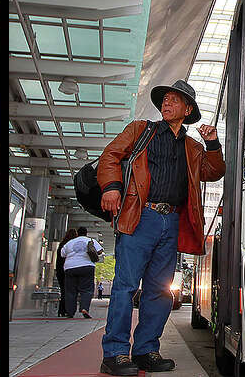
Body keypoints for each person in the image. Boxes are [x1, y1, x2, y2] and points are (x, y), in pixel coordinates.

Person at [96, 80, 225, 375]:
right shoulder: (141, 130)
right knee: (125, 286)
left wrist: (213, 143)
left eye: (174, 100)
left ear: (188, 109)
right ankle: (114, 353)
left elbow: (213, 172)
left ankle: (146, 351)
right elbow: (110, 156)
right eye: (165, 99)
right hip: (141, 216)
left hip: (172, 221)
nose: (166, 104)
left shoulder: (193, 147)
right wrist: (112, 187)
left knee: (159, 291)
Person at [59, 226, 104, 319]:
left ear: (77, 233)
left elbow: (62, 254)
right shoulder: (90, 241)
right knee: (87, 289)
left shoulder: (70, 242)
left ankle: (70, 312)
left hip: (70, 267)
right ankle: (84, 308)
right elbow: (100, 251)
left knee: (70, 291)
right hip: (87, 266)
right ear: (86, 233)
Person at [55, 228, 79, 317]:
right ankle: (68, 310)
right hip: (70, 270)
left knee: (63, 290)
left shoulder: (62, 244)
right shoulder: (73, 245)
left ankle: (61, 310)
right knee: (71, 290)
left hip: (60, 270)